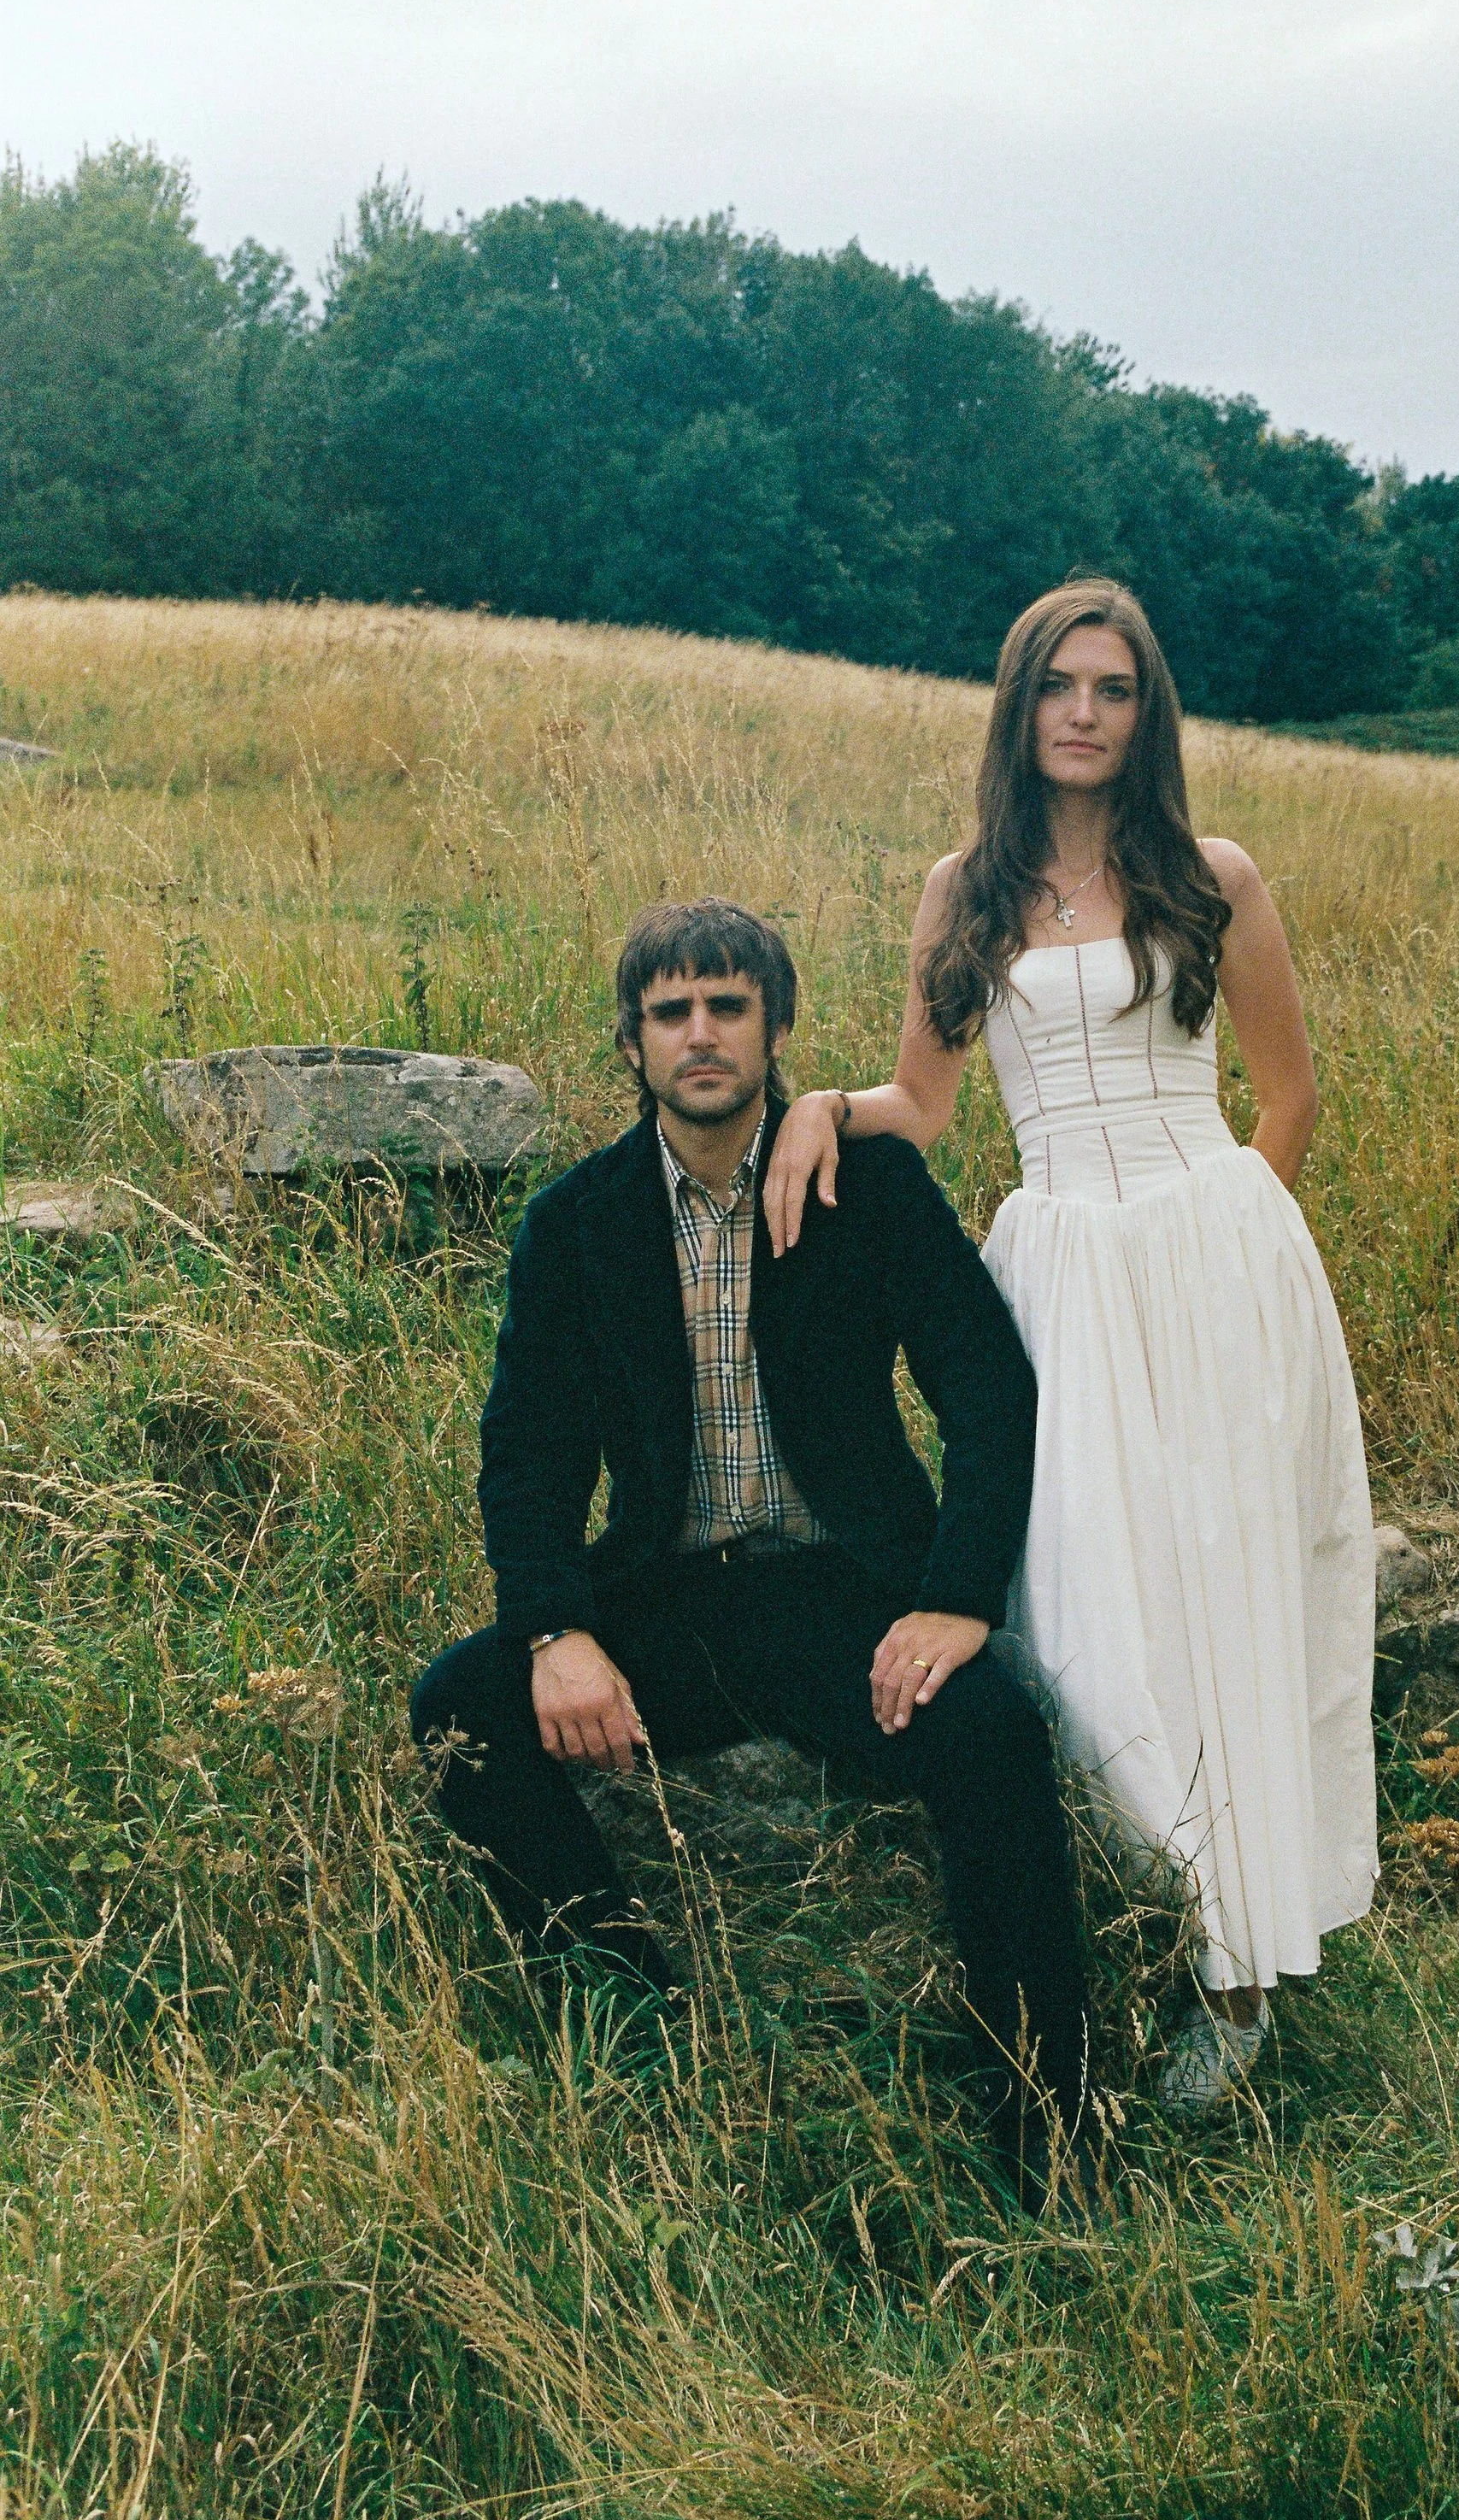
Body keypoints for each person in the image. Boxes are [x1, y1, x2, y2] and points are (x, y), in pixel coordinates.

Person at [764, 581, 1378, 2111]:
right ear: (1020, 706)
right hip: (1062, 1268)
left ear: (1145, 711)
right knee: (1085, 1599)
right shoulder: (963, 888)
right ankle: (1134, 1915)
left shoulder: (1209, 873)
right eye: (1060, 687)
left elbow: (1291, 1093)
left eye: (1113, 688)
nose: (1086, 714)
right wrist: (810, 1108)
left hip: (1212, 1255)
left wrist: (1233, 1246)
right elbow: (924, 1106)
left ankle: (1239, 1979)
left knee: (1228, 1581)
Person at [412, 896, 1089, 2184]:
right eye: (672, 1013)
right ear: (631, 1045)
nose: (701, 1035)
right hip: (668, 1597)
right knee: (462, 1707)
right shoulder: (579, 1222)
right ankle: (640, 2035)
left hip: (850, 1597)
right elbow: (531, 1449)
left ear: (777, 1030)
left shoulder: (867, 1184)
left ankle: (1046, 2138)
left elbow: (989, 1387)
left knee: (995, 1739)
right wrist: (557, 1631)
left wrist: (959, 1600)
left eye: (729, 1007)